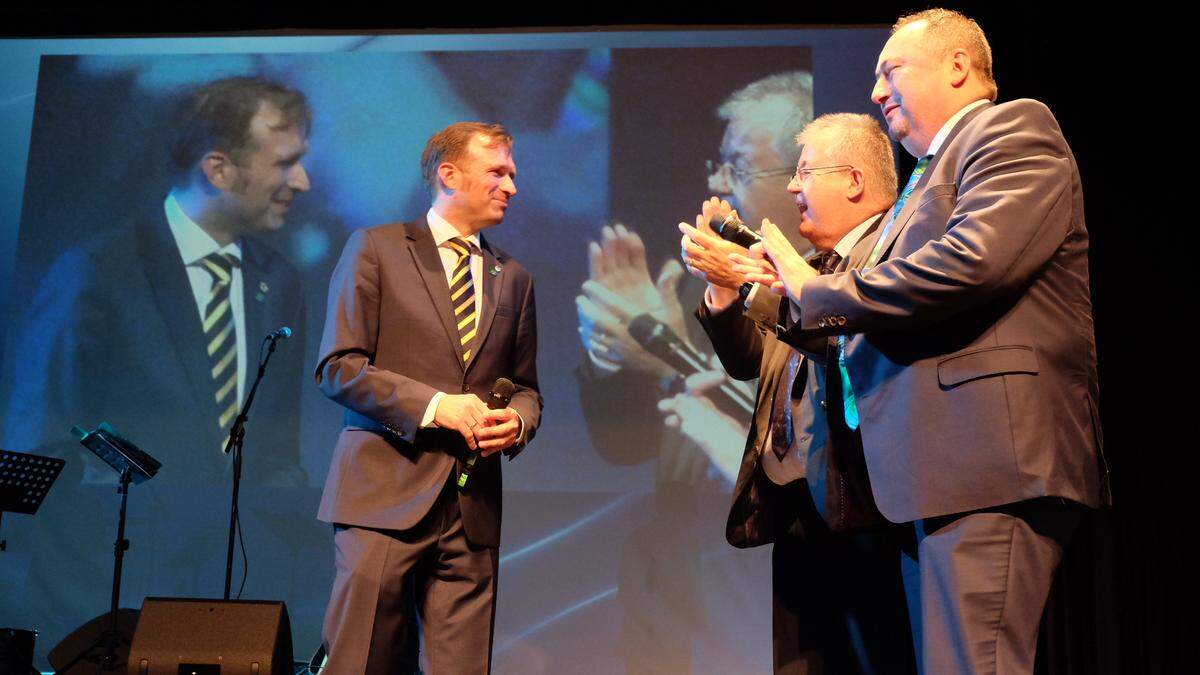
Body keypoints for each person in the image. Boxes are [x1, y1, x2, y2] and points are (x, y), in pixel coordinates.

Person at [736, 9, 1107, 674]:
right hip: (944, 475)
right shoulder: (925, 176)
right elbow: (884, 318)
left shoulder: (1011, 130)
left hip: (991, 466)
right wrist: (776, 292)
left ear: (959, 67)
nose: (877, 92)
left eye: (890, 70)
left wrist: (812, 288)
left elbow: (970, 264)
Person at [0, 75, 311, 661]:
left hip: (226, 593)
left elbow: (273, 450)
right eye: (286, 162)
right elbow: (41, 443)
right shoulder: (96, 270)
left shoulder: (281, 282)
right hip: (106, 600)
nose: (302, 181)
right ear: (218, 169)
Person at [679, 113, 914, 673]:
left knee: (881, 657)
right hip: (797, 509)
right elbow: (748, 361)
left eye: (805, 171)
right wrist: (723, 287)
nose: (791, 186)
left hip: (864, 507)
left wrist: (759, 285)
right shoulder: (810, 272)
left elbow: (852, 346)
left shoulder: (885, 257)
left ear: (854, 181)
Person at [315, 122, 541, 675]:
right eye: (498, 172)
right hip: (383, 498)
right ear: (449, 175)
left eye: (512, 174)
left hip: (472, 510)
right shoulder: (377, 248)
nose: (512, 186)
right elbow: (338, 367)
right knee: (363, 662)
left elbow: (528, 388)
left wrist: (516, 421)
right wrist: (439, 406)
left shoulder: (513, 277)